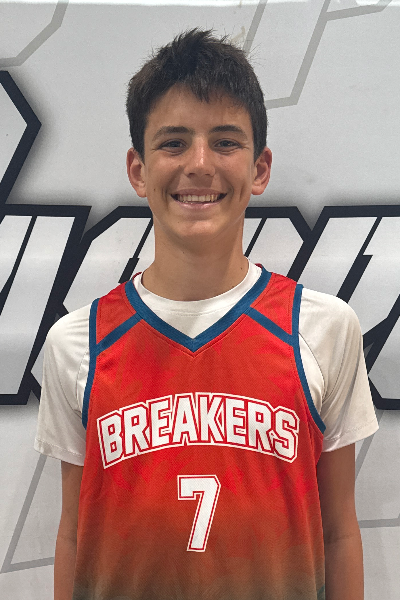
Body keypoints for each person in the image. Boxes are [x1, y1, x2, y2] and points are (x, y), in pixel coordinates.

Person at [35, 29, 378, 600]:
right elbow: (74, 535)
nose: (199, 165)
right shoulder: (78, 341)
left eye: (225, 142)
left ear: (260, 168)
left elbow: (340, 532)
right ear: (138, 169)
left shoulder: (324, 328)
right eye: (173, 143)